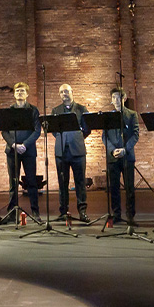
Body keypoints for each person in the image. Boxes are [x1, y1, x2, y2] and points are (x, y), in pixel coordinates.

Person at [0, 82, 42, 224]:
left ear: (27, 94)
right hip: (12, 151)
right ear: (14, 94)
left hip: (28, 150)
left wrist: (24, 145)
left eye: (22, 91)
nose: (19, 93)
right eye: (17, 91)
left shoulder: (33, 110)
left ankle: (35, 212)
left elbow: (37, 130)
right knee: (13, 183)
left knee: (32, 182)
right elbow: (4, 131)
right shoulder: (9, 110)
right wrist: (13, 144)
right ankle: (12, 213)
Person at [51, 83, 91, 223]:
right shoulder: (56, 110)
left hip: (77, 151)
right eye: (62, 92)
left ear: (72, 92)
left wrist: (77, 138)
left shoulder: (81, 109)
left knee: (80, 182)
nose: (64, 94)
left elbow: (87, 129)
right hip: (61, 151)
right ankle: (63, 211)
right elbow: (54, 130)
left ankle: (82, 211)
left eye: (66, 91)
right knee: (62, 183)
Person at [102, 87, 139, 223]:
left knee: (129, 188)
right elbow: (104, 136)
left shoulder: (132, 114)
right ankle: (116, 214)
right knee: (114, 188)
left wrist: (125, 149)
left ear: (124, 98)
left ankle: (130, 215)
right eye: (114, 97)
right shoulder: (107, 116)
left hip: (127, 156)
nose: (116, 100)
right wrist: (112, 150)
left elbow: (135, 134)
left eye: (119, 97)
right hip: (113, 157)